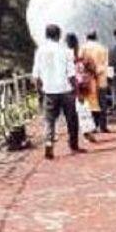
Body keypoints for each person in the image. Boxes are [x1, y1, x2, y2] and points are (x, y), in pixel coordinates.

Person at [32, 24, 82, 159]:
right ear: (59, 35)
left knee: (50, 120)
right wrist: (77, 91)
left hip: (49, 90)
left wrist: (39, 91)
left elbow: (36, 75)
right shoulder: (65, 51)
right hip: (66, 90)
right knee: (71, 119)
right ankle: (73, 144)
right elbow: (71, 74)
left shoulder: (40, 51)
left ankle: (49, 142)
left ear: (46, 35)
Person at [65, 33, 98, 144]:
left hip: (68, 88)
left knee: (72, 113)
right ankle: (86, 132)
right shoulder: (80, 56)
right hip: (81, 86)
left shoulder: (64, 56)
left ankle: (75, 136)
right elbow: (91, 69)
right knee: (83, 110)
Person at [80, 31, 110, 132]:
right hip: (101, 79)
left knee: (90, 104)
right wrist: (98, 72)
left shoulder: (83, 48)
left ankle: (92, 126)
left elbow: (80, 63)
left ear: (86, 37)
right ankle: (103, 126)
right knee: (102, 103)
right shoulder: (102, 48)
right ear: (96, 37)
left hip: (88, 81)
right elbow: (105, 64)